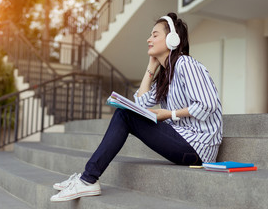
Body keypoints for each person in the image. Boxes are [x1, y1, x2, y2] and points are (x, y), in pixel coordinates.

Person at [50, 12, 223, 202]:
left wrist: (169, 114)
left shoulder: (185, 64)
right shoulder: (166, 74)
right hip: (184, 141)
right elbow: (139, 104)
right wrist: (151, 67)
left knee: (124, 116)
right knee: (125, 113)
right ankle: (87, 178)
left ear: (172, 39)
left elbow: (208, 104)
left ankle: (88, 179)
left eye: (155, 35)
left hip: (199, 147)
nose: (149, 39)